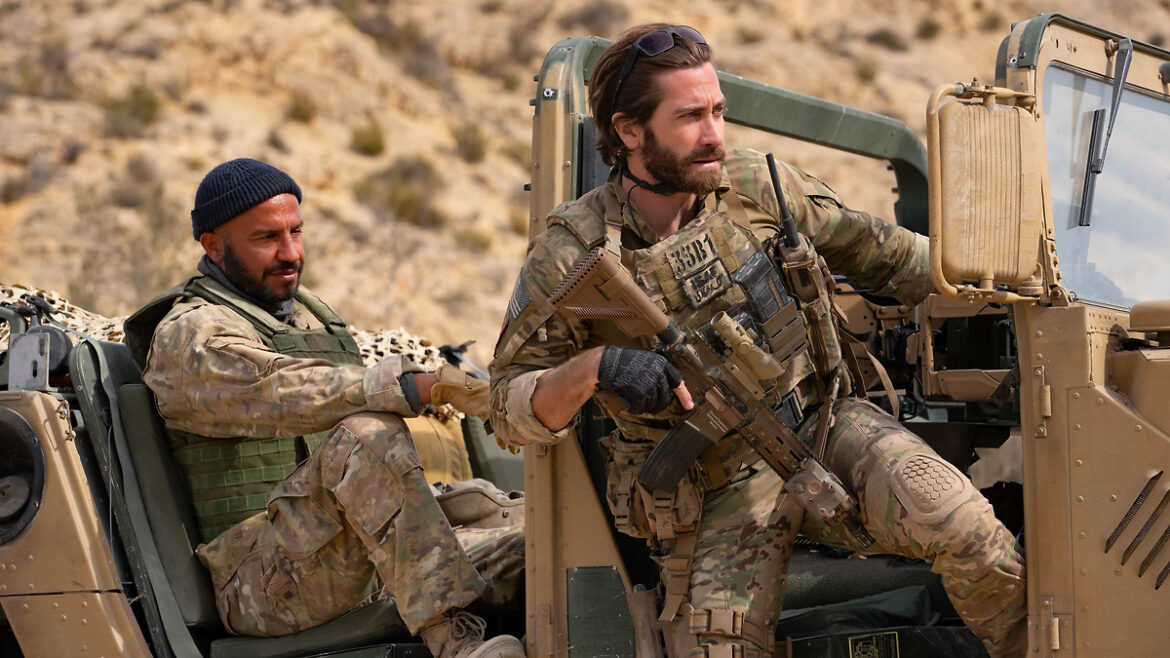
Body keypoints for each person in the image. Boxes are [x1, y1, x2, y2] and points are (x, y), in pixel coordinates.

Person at [489, 24, 1026, 658]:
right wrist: (595, 368)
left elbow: (891, 258)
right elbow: (507, 405)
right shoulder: (570, 254)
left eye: (718, 111)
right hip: (713, 487)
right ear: (629, 132)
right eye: (689, 117)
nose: (714, 134)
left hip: (825, 427)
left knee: (966, 530)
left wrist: (1017, 291)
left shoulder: (757, 186)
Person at [123, 158, 524, 658]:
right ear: (213, 245)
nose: (290, 252)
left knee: (534, 547)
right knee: (368, 435)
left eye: (296, 232)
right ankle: (453, 639)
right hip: (260, 586)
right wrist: (423, 387)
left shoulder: (308, 317)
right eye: (267, 238)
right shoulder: (189, 335)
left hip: (340, 552)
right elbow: (284, 390)